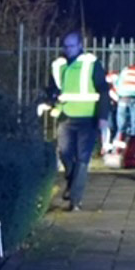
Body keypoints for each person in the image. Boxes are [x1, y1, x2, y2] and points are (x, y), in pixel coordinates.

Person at [43, 30, 106, 212]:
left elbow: (103, 89)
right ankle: (72, 184)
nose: (68, 49)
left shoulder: (90, 63)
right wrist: (50, 99)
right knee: (64, 153)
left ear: (80, 45)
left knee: (83, 158)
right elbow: (53, 88)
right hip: (66, 116)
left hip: (88, 117)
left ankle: (75, 199)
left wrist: (103, 116)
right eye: (66, 46)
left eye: (72, 46)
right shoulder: (58, 65)